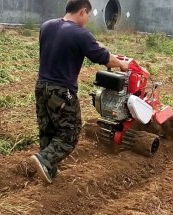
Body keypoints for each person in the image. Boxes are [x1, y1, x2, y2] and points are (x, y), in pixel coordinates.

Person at [30, 0, 129, 184]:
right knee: (71, 132)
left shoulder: (47, 26)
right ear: (83, 11)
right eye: (89, 16)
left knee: (48, 129)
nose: (88, 19)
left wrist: (93, 43)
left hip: (41, 86)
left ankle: (47, 168)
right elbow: (103, 57)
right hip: (61, 91)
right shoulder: (80, 34)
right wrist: (122, 64)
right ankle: (45, 159)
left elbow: (72, 43)